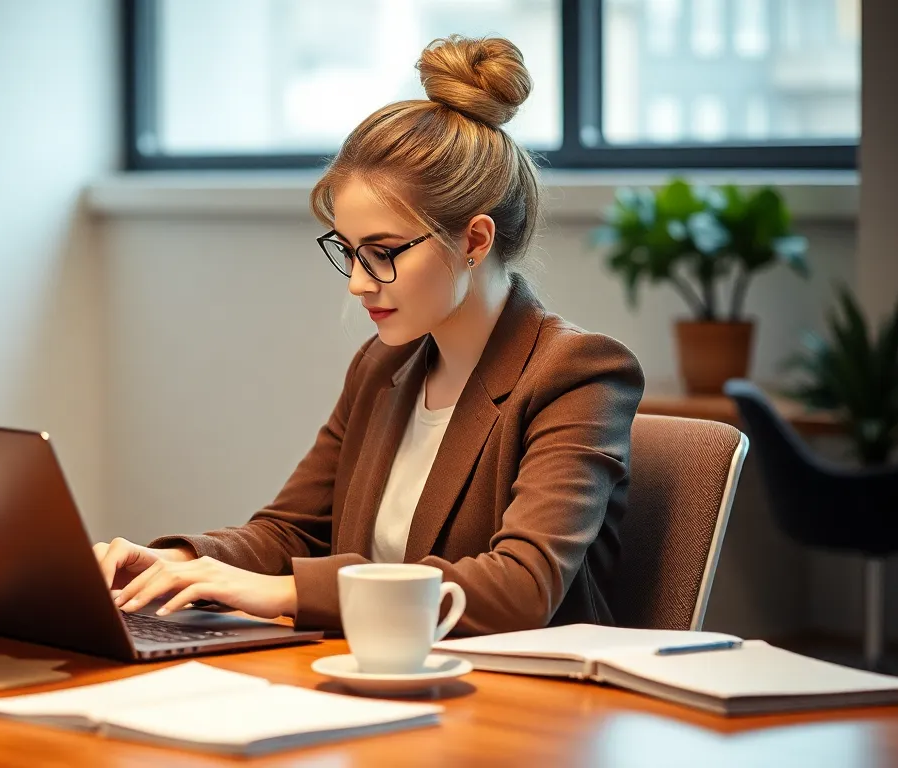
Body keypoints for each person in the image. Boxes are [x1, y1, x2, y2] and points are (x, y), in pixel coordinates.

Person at [94, 35, 644, 636]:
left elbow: (520, 588)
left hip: (515, 702)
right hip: (373, 676)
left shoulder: (578, 373)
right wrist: (180, 562)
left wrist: (280, 593)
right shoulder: (384, 366)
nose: (359, 284)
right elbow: (292, 529)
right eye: (349, 252)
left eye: (382, 253)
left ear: (475, 240)